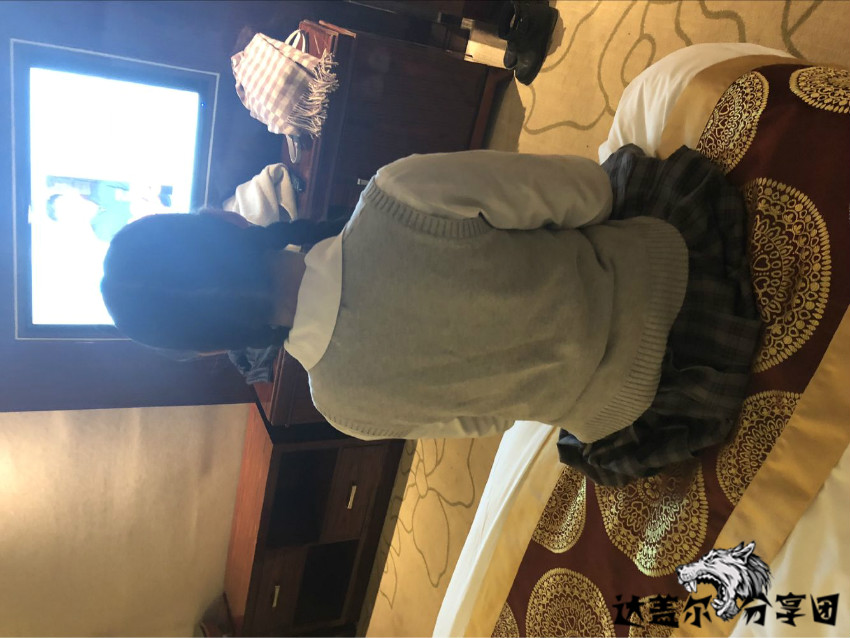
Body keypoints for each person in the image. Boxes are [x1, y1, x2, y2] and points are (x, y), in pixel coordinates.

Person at [100, 146, 760, 486]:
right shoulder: (398, 195)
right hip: (677, 280)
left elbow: (490, 418)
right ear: (225, 223)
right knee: (625, 178)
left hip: (640, 413)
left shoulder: (340, 407)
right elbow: (588, 192)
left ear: (213, 345)